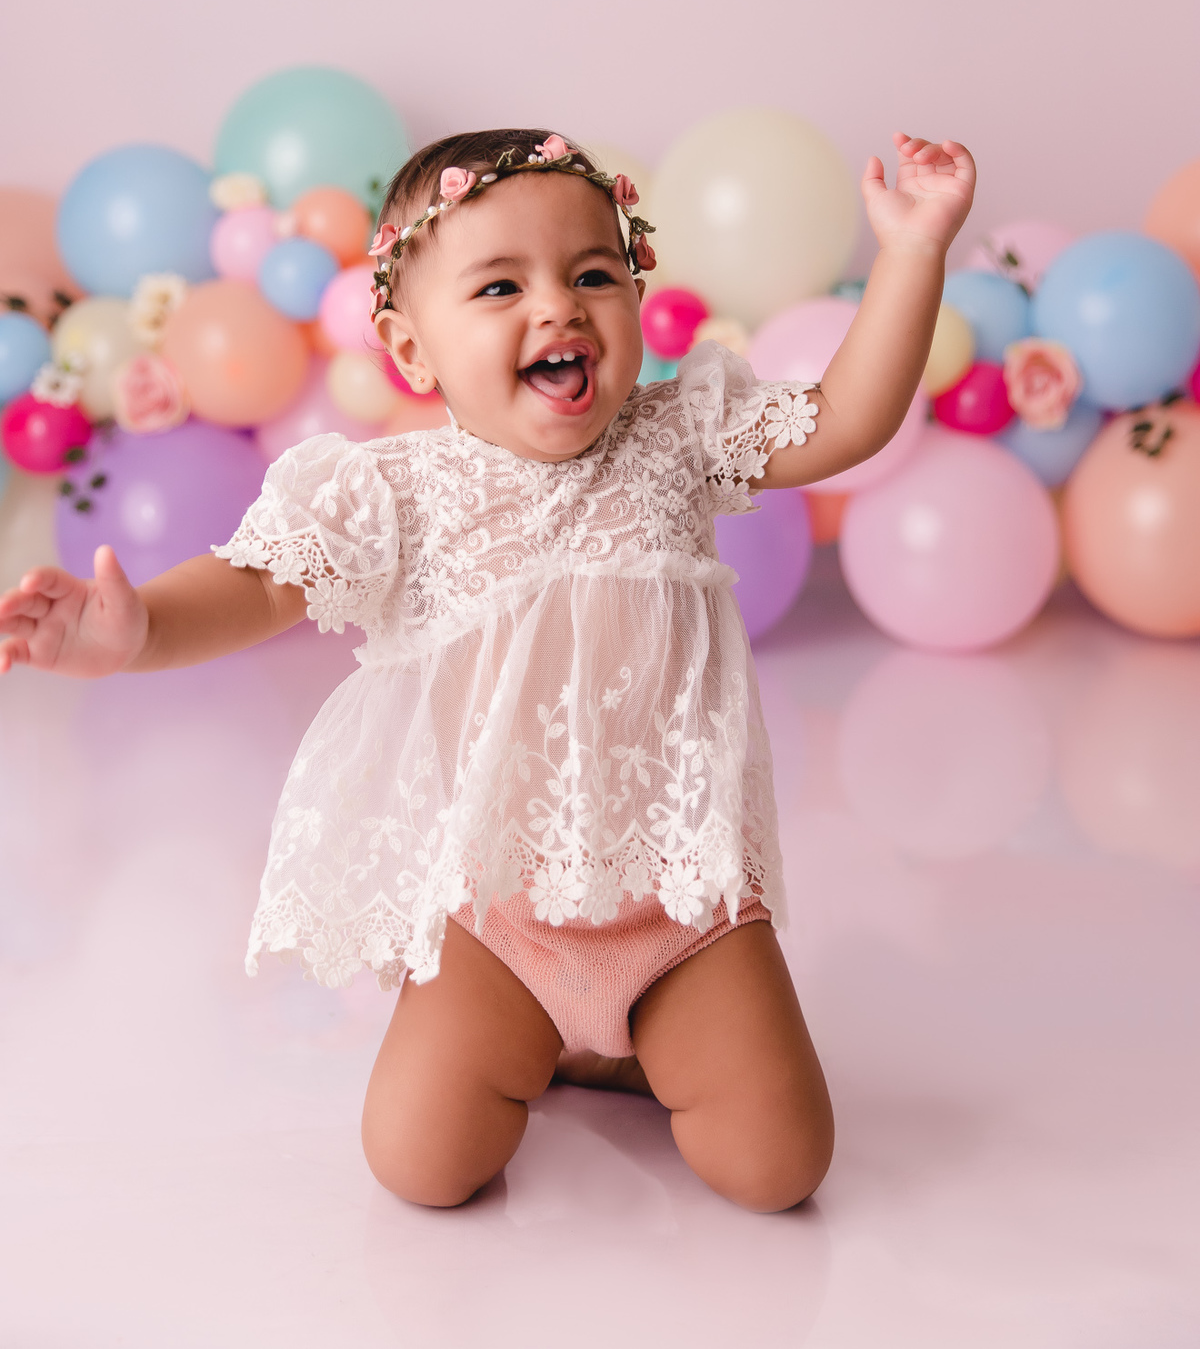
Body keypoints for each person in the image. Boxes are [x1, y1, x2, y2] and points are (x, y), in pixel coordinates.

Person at [0, 125, 975, 1212]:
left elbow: (844, 421)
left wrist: (914, 253)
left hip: (684, 911)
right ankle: (554, 1036)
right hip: (498, 919)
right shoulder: (405, 494)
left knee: (779, 1168)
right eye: (501, 285)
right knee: (421, 1165)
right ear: (412, 351)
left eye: (594, 274)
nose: (557, 306)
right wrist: (134, 632)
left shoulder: (676, 439)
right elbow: (258, 582)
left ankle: (623, 1040)